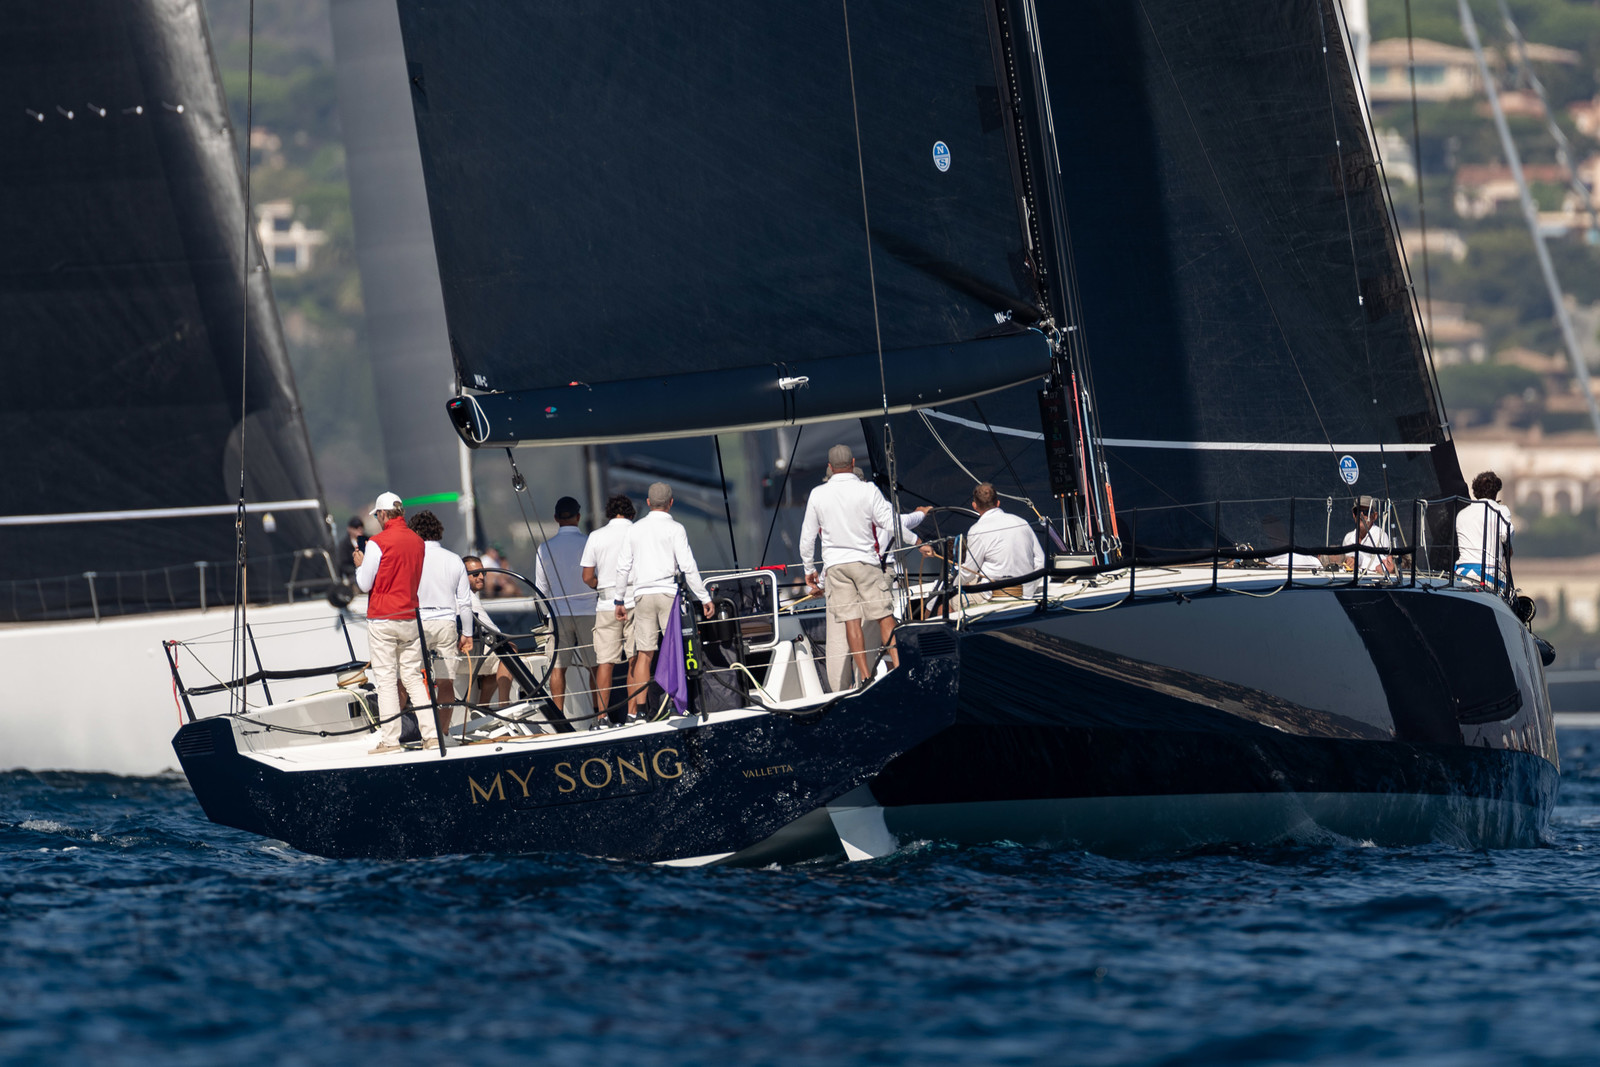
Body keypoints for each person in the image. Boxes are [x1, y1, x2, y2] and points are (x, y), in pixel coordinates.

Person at [613, 482, 714, 720]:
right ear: (671, 502)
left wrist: (619, 599)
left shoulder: (634, 529)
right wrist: (705, 596)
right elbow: (688, 566)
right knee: (675, 650)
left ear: (648, 503)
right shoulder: (676, 529)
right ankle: (674, 705)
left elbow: (623, 566)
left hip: (642, 595)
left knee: (644, 653)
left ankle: (637, 712)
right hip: (668, 593)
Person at [800, 444, 899, 686]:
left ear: (830, 467)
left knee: (850, 624)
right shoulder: (868, 491)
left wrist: (809, 570)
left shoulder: (818, 494)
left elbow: (807, 537)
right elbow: (893, 522)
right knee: (885, 618)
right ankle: (900, 666)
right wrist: (918, 539)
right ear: (853, 463)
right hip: (867, 565)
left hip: (836, 570)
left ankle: (864, 676)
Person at [353, 492, 435, 753]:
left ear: (384, 514)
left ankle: (390, 741)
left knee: (387, 680)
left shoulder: (378, 542)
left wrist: (360, 565)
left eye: (377, 514)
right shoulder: (417, 541)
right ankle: (431, 736)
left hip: (383, 617)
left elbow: (364, 584)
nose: (376, 518)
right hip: (410, 616)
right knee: (412, 677)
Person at [409, 510, 473, 739]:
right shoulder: (454, 559)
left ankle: (425, 733)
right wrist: (467, 633)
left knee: (412, 680)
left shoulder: (411, 558)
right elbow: (465, 603)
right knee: (447, 683)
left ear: (415, 533)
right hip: (446, 621)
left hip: (418, 621)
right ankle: (442, 731)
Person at [534, 496, 597, 724]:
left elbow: (540, 588)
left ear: (555, 518)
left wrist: (546, 615)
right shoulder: (589, 543)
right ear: (578, 517)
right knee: (596, 666)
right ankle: (599, 715)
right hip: (589, 611)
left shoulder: (544, 548)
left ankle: (558, 718)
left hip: (558, 614)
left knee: (557, 667)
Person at [581, 494, 637, 725]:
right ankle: (635, 714)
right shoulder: (638, 532)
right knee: (637, 658)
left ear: (609, 513)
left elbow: (586, 577)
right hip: (635, 599)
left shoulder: (596, 536)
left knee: (605, 662)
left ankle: (602, 717)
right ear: (631, 513)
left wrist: (601, 584)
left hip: (606, 602)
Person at [958, 483, 1046, 601]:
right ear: (998, 503)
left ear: (974, 506)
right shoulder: (1022, 522)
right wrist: (1029, 589)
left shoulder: (977, 530)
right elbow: (1041, 561)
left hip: (993, 594)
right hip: (1026, 592)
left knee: (945, 605)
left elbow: (970, 571)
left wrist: (954, 585)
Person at [462, 556, 513, 708]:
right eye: (475, 574)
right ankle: (504, 704)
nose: (481, 577)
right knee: (508, 649)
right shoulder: (469, 597)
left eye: (482, 573)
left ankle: (483, 706)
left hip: (465, 651)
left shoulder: (461, 595)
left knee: (496, 657)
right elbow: (495, 632)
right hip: (468, 655)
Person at [1456, 471, 1515, 588]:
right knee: (1511, 598)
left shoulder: (1462, 514)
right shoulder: (1501, 510)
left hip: (1461, 574)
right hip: (1489, 574)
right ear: (1496, 492)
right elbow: (1506, 536)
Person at [1325, 495, 1395, 577]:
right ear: (1354, 515)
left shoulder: (1380, 535)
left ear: (1375, 516)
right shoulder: (1348, 537)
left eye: (1366, 512)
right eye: (1357, 511)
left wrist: (1359, 560)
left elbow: (1383, 565)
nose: (1361, 515)